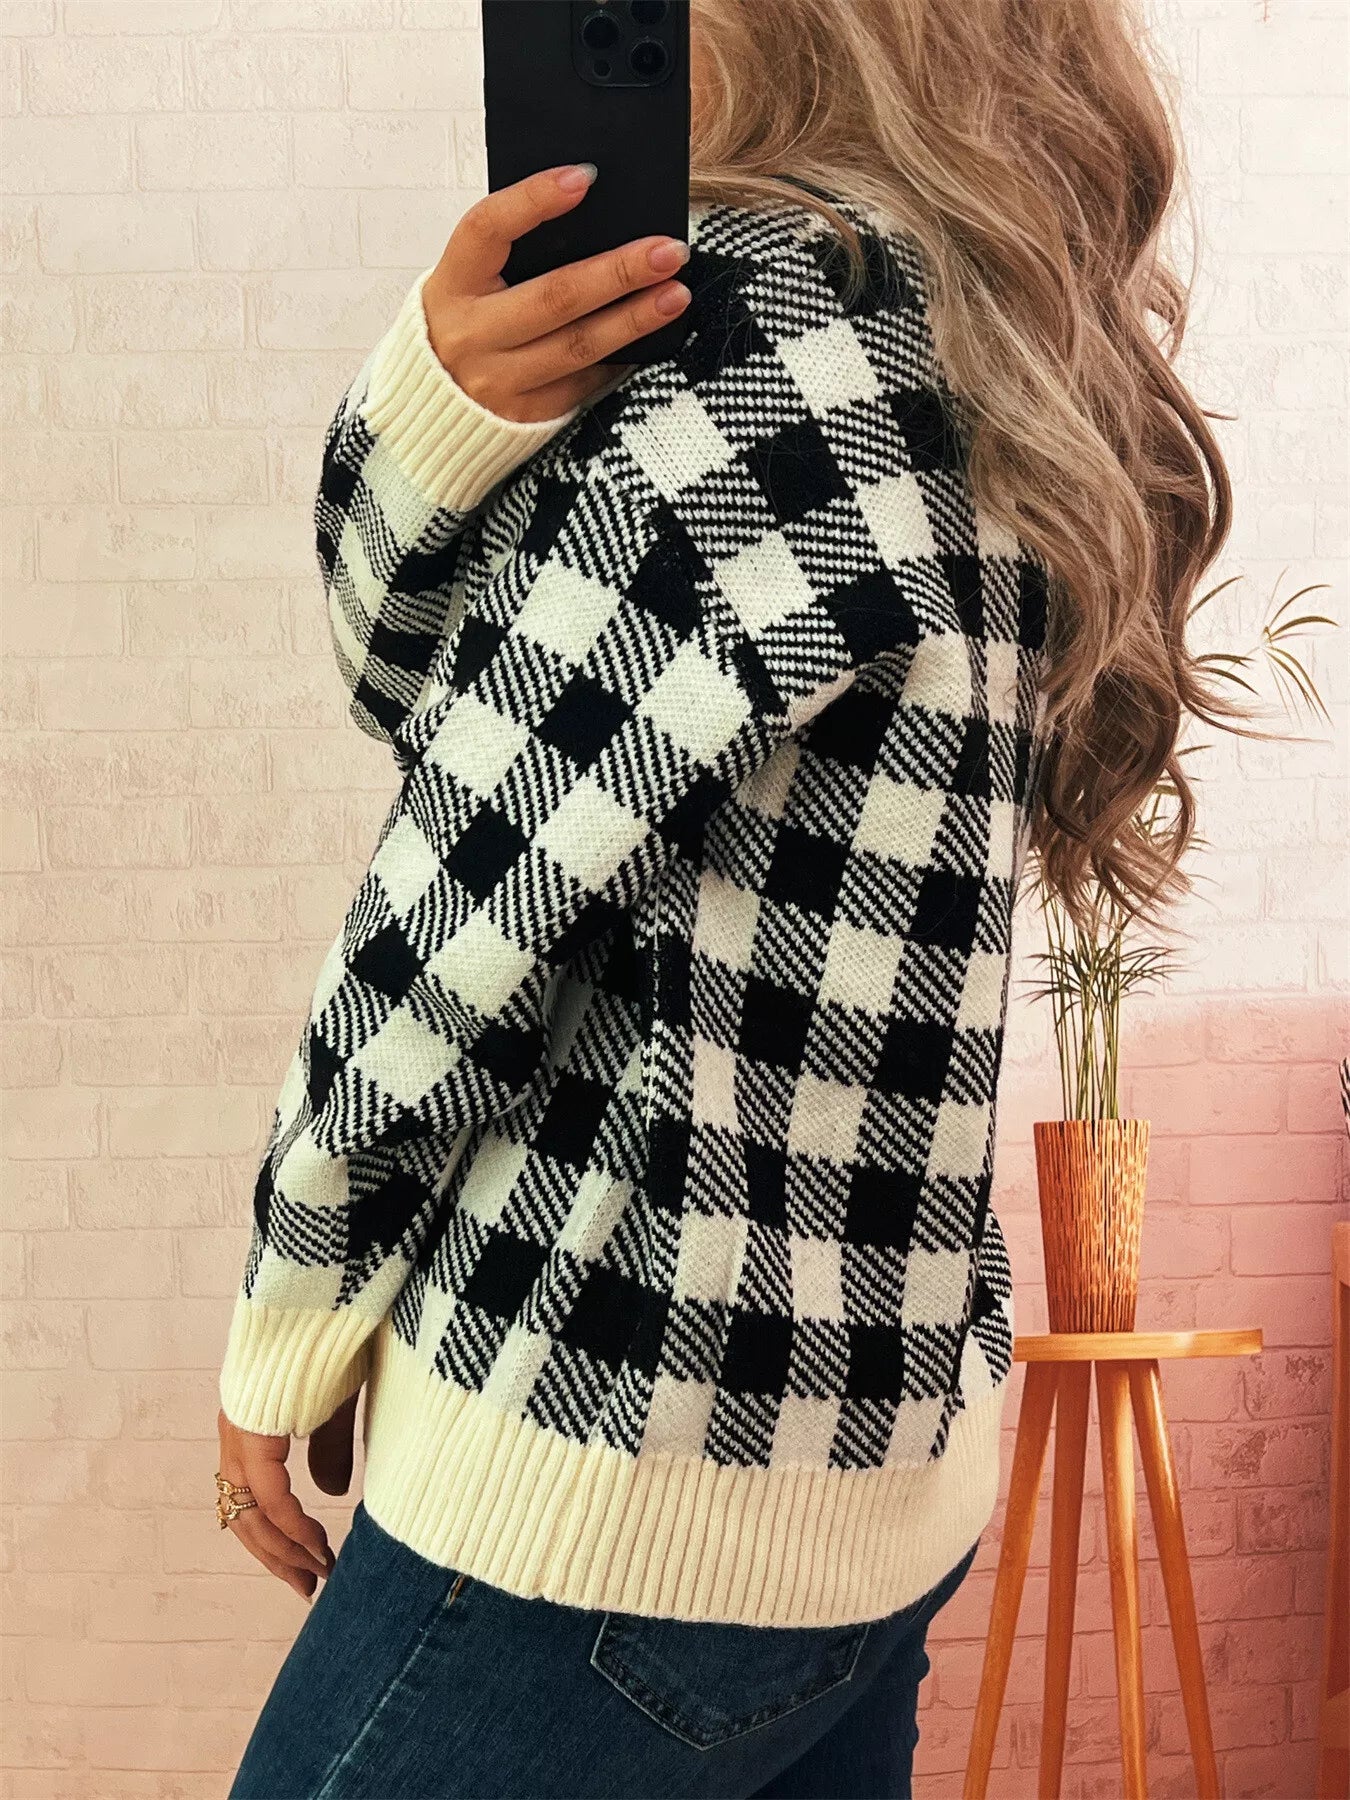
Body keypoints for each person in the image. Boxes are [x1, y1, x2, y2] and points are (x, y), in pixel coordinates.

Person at [214, 1, 1236, 1794]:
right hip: (869, 1466)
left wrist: (290, 1311)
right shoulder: (994, 334)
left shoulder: (770, 327)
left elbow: (470, 892)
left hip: (611, 1470)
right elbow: (450, 703)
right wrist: (447, 404)